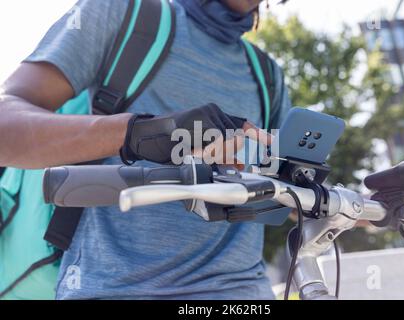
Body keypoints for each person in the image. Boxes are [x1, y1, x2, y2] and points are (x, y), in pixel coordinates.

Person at [0, 0, 291, 299]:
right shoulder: (120, 12)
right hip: (115, 290)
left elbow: (288, 194)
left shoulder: (268, 76)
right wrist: (141, 133)